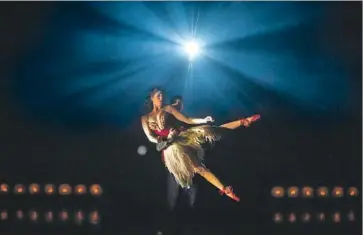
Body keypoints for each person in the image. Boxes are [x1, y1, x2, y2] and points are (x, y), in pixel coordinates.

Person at [141, 88, 260, 202]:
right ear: (152, 98)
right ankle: (224, 189)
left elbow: (188, 119)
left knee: (211, 130)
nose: (162, 98)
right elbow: (151, 137)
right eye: (158, 95)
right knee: (199, 168)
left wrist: (203, 120)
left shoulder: (168, 108)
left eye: (162, 95)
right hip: (172, 148)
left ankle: (243, 121)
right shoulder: (145, 118)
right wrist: (166, 138)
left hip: (182, 137)